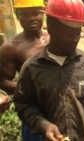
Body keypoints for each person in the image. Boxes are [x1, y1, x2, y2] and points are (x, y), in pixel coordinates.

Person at [13, 0, 84, 140]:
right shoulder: (32, 68)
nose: (75, 39)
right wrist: (44, 125)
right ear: (51, 28)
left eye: (78, 33)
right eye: (69, 34)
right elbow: (24, 105)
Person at [0, 0, 49, 140]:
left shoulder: (54, 39)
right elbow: (3, 81)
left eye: (35, 13)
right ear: (17, 15)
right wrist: (30, 89)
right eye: (25, 14)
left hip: (58, 106)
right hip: (33, 111)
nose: (31, 18)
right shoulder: (11, 47)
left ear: (43, 13)